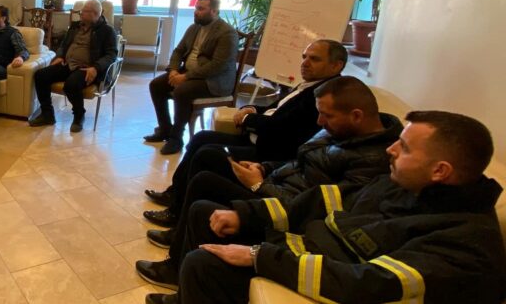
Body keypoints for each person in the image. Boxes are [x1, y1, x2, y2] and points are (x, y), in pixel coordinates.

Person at [149, 111, 506, 304]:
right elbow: (323, 200)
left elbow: (366, 284)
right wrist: (245, 213)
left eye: (405, 148)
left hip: (323, 271)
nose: (391, 150)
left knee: (204, 264)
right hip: (305, 248)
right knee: (206, 214)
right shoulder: (405, 184)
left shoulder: (464, 244)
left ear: (440, 170)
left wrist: (259, 256)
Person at [136, 76, 403, 288]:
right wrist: (264, 168)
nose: (320, 121)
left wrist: (259, 186)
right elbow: (299, 159)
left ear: (357, 115)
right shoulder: (342, 129)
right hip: (275, 183)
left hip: (284, 208)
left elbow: (315, 209)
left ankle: (176, 267)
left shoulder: (373, 161)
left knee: (205, 184)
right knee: (208, 156)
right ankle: (178, 235)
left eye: (326, 116)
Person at [143, 39, 347, 219]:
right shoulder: (310, 84)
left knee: (207, 153)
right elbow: (276, 109)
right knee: (201, 137)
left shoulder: (324, 96)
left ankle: (177, 212)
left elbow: (280, 127)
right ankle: (175, 193)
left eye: (314, 59)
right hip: (258, 137)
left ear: (336, 65)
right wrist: (252, 108)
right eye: (304, 56)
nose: (305, 62)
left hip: (269, 151)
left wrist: (248, 118)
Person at [146, 0, 238, 154]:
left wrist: (185, 77)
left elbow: (217, 66)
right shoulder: (194, 27)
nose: (196, 12)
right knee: (156, 85)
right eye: (196, 8)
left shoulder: (227, 33)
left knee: (182, 91)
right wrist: (173, 70)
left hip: (214, 80)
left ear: (214, 11)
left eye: (201, 9)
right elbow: (178, 51)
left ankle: (176, 138)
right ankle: (165, 129)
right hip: (188, 73)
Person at [30, 0, 117, 133]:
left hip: (88, 68)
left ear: (95, 14)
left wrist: (96, 67)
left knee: (71, 84)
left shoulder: (107, 31)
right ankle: (47, 114)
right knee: (40, 75)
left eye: (85, 11)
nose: (81, 13)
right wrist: (60, 56)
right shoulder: (75, 26)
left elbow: (111, 55)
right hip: (68, 64)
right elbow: (64, 45)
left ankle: (79, 115)